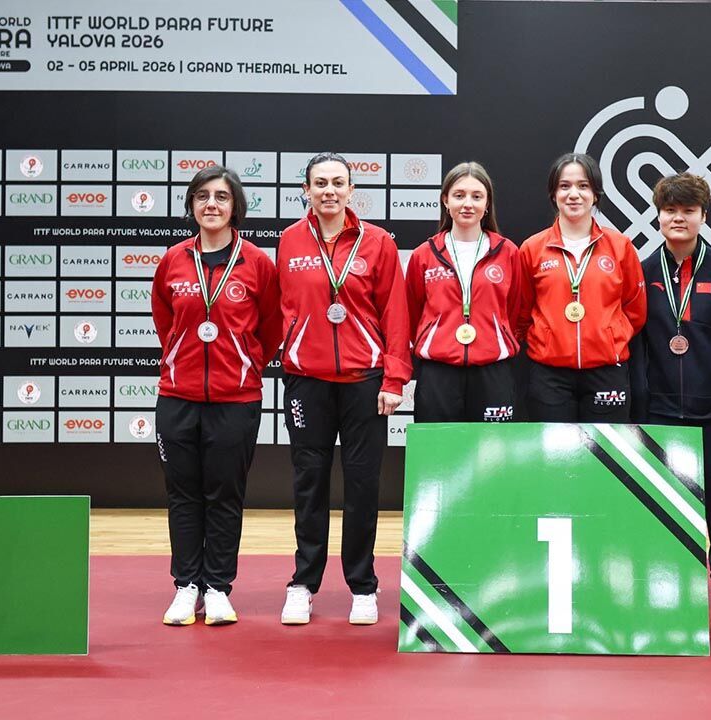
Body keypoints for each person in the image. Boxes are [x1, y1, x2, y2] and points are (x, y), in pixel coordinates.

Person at [273, 152, 410, 626]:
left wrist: (394, 378)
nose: (329, 191)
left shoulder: (378, 242)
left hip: (364, 382)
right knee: (308, 484)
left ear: (352, 190)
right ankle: (303, 583)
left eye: (338, 183)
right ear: (306, 190)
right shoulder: (290, 240)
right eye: (320, 183)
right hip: (307, 382)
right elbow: (281, 307)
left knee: (362, 486)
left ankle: (363, 585)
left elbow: (395, 313)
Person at [152, 166, 282, 626]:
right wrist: (183, 360)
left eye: (221, 197)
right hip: (178, 396)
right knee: (183, 495)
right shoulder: (173, 260)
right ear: (191, 204)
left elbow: (271, 328)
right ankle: (186, 586)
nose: (211, 204)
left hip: (236, 399)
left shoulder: (257, 263)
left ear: (235, 206)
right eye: (203, 196)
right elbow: (165, 321)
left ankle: (218, 587)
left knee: (226, 495)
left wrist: (243, 364)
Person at [629, 172, 711, 617]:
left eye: (688, 211)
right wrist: (640, 401)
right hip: (660, 406)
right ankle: (664, 581)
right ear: (658, 216)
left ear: (703, 216)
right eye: (670, 210)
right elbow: (636, 342)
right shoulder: (642, 271)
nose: (678, 218)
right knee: (662, 496)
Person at [516, 153, 646, 421]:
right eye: (564, 186)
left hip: (606, 371)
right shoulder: (532, 248)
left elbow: (635, 309)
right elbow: (521, 310)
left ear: (595, 194)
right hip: (549, 374)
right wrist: (547, 340)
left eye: (583, 186)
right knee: (554, 449)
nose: (573, 194)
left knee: (605, 449)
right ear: (554, 194)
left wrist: (609, 337)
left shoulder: (620, 246)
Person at [406, 162, 521, 422]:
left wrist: (493, 337)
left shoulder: (508, 252)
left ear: (487, 204)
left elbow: (515, 310)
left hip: (493, 372)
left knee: (492, 447)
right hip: (438, 373)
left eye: (476, 196)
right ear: (445, 200)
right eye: (459, 195)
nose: (467, 204)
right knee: (437, 447)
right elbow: (413, 313)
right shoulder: (424, 255)